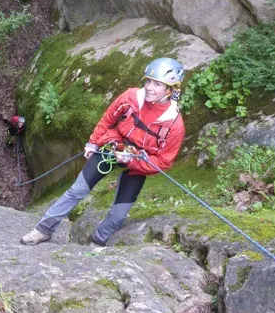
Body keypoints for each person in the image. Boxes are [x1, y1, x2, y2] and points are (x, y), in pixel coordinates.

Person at [20, 58, 186, 246]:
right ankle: (43, 230)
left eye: (157, 84)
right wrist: (93, 143)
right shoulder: (131, 97)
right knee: (77, 190)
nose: (149, 87)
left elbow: (163, 162)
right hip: (113, 146)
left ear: (170, 90)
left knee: (119, 212)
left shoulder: (173, 124)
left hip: (138, 161)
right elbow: (108, 119)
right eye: (148, 81)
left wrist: (132, 160)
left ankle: (97, 242)